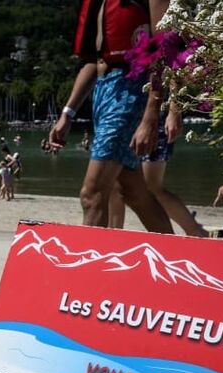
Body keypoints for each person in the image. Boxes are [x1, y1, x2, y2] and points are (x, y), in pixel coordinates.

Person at [49, 0, 173, 234]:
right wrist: (68, 113)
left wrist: (150, 117)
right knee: (132, 191)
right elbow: (92, 63)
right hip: (104, 91)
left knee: (92, 193)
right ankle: (176, 257)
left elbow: (163, 54)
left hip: (132, 89)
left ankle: (88, 267)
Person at [108, 100, 208, 237]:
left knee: (151, 188)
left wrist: (174, 112)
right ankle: (113, 237)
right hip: (124, 115)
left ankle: (196, 232)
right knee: (114, 184)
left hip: (155, 118)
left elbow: (173, 79)